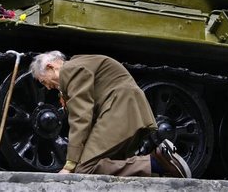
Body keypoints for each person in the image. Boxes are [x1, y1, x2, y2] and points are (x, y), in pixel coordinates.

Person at [29, 51, 191, 178]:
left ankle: (156, 163)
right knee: (107, 165)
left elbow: (81, 118)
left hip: (120, 110)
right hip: (123, 110)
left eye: (44, 81)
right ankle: (163, 168)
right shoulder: (77, 67)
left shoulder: (70, 70)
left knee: (84, 169)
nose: (47, 87)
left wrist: (70, 165)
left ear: (51, 67)